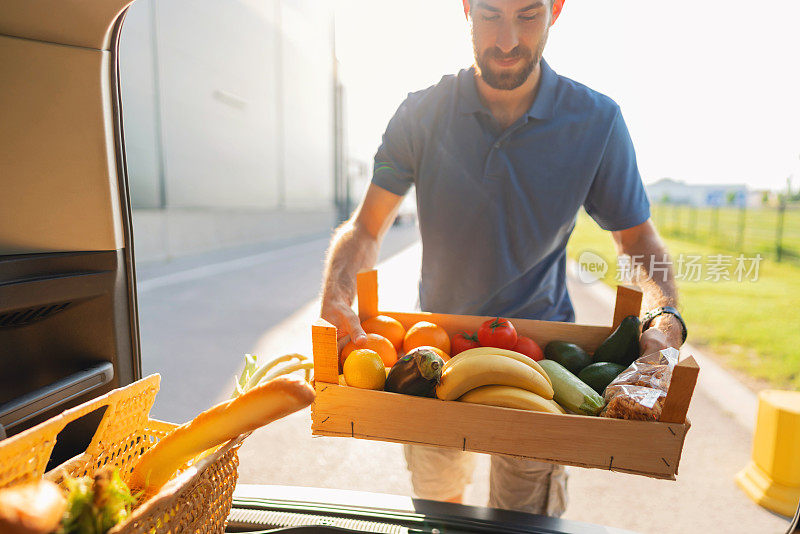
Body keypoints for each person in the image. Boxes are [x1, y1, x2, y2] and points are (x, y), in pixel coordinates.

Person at [320, 0, 686, 517]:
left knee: (522, 520)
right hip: (434, 352)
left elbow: (638, 242)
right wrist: (336, 297)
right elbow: (365, 229)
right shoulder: (420, 113)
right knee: (439, 510)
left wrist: (663, 317)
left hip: (547, 362)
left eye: (528, 15)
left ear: (556, 10)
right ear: (466, 9)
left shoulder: (597, 121)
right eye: (490, 15)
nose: (508, 40)